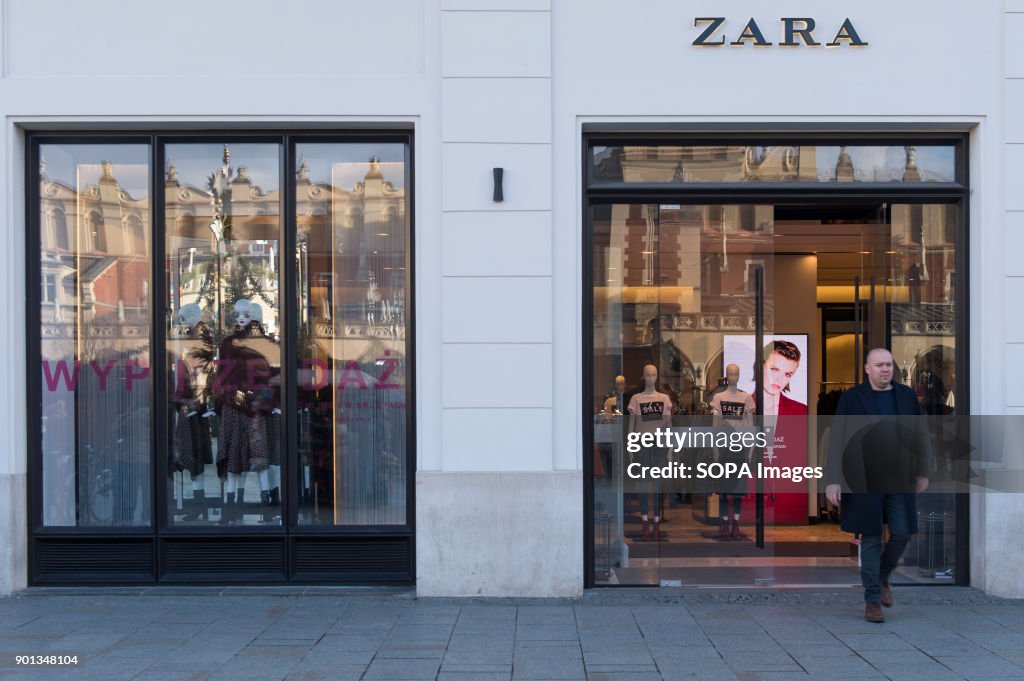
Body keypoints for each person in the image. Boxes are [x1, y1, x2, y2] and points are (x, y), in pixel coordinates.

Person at [825, 348, 932, 623]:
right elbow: (837, 439)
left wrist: (923, 471)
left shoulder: (906, 397)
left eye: (888, 365)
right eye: (880, 365)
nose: (886, 369)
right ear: (867, 369)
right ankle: (872, 600)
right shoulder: (851, 398)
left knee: (903, 531)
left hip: (899, 477)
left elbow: (921, 435)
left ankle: (883, 576)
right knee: (870, 537)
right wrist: (832, 480)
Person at [627, 364, 673, 541]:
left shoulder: (664, 398)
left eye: (654, 375)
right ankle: (645, 523)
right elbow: (632, 425)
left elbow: (669, 424)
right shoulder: (636, 399)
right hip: (642, 443)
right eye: (648, 375)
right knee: (644, 485)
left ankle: (656, 523)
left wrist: (671, 446)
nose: (651, 378)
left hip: (660, 444)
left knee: (658, 485)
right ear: (643, 377)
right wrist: (631, 445)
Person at [710, 364, 755, 540]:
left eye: (736, 373)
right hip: (723, 448)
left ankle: (735, 523)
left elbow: (750, 426)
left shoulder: (746, 398)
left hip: (740, 448)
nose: (733, 376)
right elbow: (715, 426)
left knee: (737, 489)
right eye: (730, 373)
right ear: (726, 375)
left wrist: (750, 450)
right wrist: (714, 448)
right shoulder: (719, 397)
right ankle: (724, 524)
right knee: (723, 490)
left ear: (739, 375)